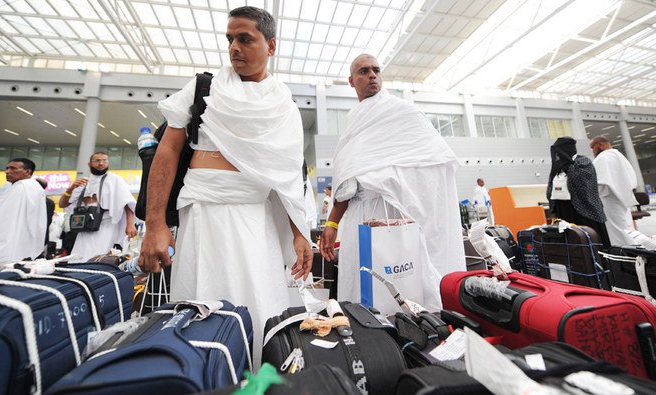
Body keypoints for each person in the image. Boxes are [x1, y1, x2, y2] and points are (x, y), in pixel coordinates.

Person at [139, 6, 312, 364]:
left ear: (271, 45)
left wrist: (299, 233)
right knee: (197, 307)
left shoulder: (284, 105)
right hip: (202, 216)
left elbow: (289, 177)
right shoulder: (204, 88)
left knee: (260, 308)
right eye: (230, 39)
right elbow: (167, 154)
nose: (234, 47)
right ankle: (199, 375)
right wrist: (154, 223)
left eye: (245, 39)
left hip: (255, 221)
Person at [319, 54, 465, 312]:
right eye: (363, 71)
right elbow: (347, 181)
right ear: (351, 81)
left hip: (402, 215)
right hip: (363, 217)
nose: (372, 75)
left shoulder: (404, 111)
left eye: (376, 70)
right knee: (368, 290)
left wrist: (395, 184)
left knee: (406, 285)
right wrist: (331, 224)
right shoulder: (356, 119)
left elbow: (437, 162)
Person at [58, 152, 137, 260]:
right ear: (89, 164)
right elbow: (62, 204)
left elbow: (127, 203)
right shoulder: (84, 182)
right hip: (86, 226)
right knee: (79, 256)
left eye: (105, 160)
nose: (101, 163)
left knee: (99, 256)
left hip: (107, 224)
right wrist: (71, 188)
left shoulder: (114, 179)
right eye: (97, 161)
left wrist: (130, 224)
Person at [546, 137, 610, 247]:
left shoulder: (583, 161)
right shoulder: (557, 167)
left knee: (590, 239)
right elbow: (551, 185)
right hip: (563, 209)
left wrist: (567, 168)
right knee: (572, 241)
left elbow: (583, 183)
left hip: (584, 209)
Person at [0, 158, 46, 268]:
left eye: (13, 168)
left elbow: (3, 220)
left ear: (27, 172)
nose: (7, 171)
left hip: (11, 249)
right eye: (7, 168)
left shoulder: (23, 187)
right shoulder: (31, 186)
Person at [590, 136, 638, 246]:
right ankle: (634, 249)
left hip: (609, 198)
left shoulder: (603, 158)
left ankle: (623, 252)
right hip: (623, 196)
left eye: (593, 148)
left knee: (616, 228)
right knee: (626, 225)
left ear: (600, 145)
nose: (592, 151)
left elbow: (598, 181)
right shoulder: (618, 155)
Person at [35, 178, 56, 247]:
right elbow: (49, 221)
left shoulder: (31, 201)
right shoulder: (50, 202)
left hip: (30, 237)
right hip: (43, 237)